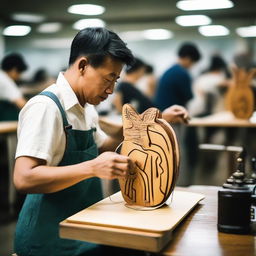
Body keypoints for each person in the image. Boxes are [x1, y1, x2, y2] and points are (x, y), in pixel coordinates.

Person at [13, 27, 188, 256]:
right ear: (83, 66)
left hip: (82, 226)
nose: (111, 90)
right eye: (108, 78)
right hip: (49, 239)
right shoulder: (46, 108)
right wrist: (93, 167)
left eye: (116, 80)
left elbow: (105, 145)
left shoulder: (85, 107)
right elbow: (24, 177)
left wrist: (156, 119)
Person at [113, 57, 189, 123]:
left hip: (151, 116)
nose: (143, 74)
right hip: (150, 118)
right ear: (140, 70)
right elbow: (117, 101)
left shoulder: (128, 86)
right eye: (143, 71)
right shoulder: (125, 85)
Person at [154, 42, 201, 111]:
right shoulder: (182, 73)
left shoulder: (170, 70)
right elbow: (188, 96)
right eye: (193, 63)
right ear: (188, 58)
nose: (192, 66)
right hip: (173, 114)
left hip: (162, 112)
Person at [0, 53, 28, 121]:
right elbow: (22, 104)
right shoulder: (5, 80)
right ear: (14, 70)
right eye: (20, 73)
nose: (20, 76)